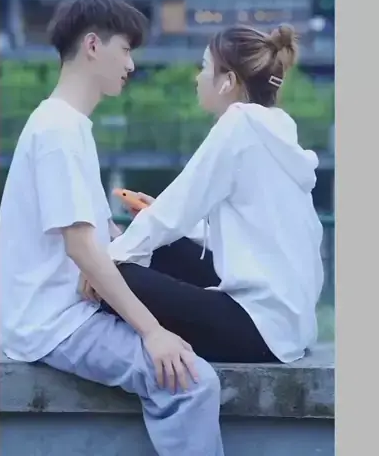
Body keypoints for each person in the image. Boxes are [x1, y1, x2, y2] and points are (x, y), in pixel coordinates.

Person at [0, 0, 224, 456]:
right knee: (193, 383)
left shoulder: (66, 125)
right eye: (125, 49)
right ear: (93, 46)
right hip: (55, 322)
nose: (131, 64)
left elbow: (100, 238)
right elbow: (82, 248)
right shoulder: (59, 132)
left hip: (65, 309)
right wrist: (152, 333)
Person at [96, 23, 324, 365]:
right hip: (290, 326)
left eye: (205, 67)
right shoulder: (274, 131)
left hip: (259, 331)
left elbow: (175, 210)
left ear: (227, 81)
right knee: (160, 247)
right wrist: (156, 221)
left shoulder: (238, 125)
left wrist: (104, 263)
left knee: (112, 278)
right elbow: (251, 236)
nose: (198, 77)